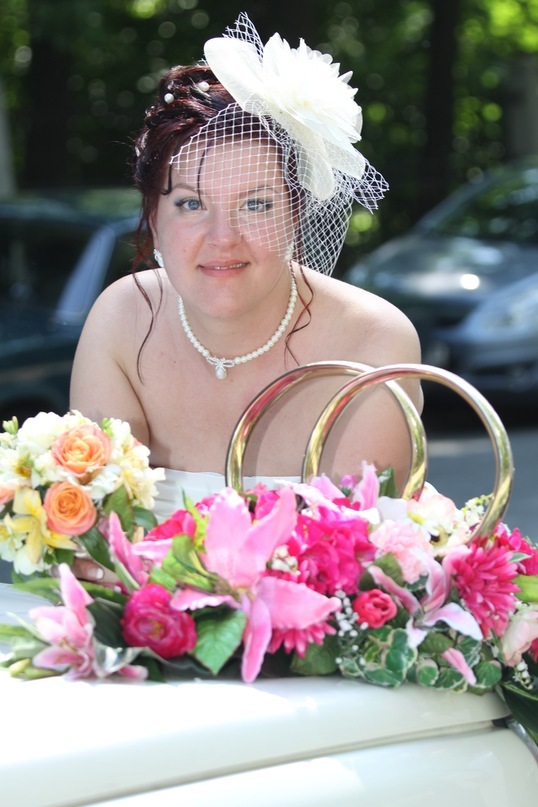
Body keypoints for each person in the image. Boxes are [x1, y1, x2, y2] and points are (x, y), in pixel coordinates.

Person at [70, 13, 422, 531]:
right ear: (153, 218)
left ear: (296, 214)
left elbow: (357, 558)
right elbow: (101, 537)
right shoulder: (121, 320)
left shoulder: (372, 341)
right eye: (191, 204)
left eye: (256, 204)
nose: (222, 237)